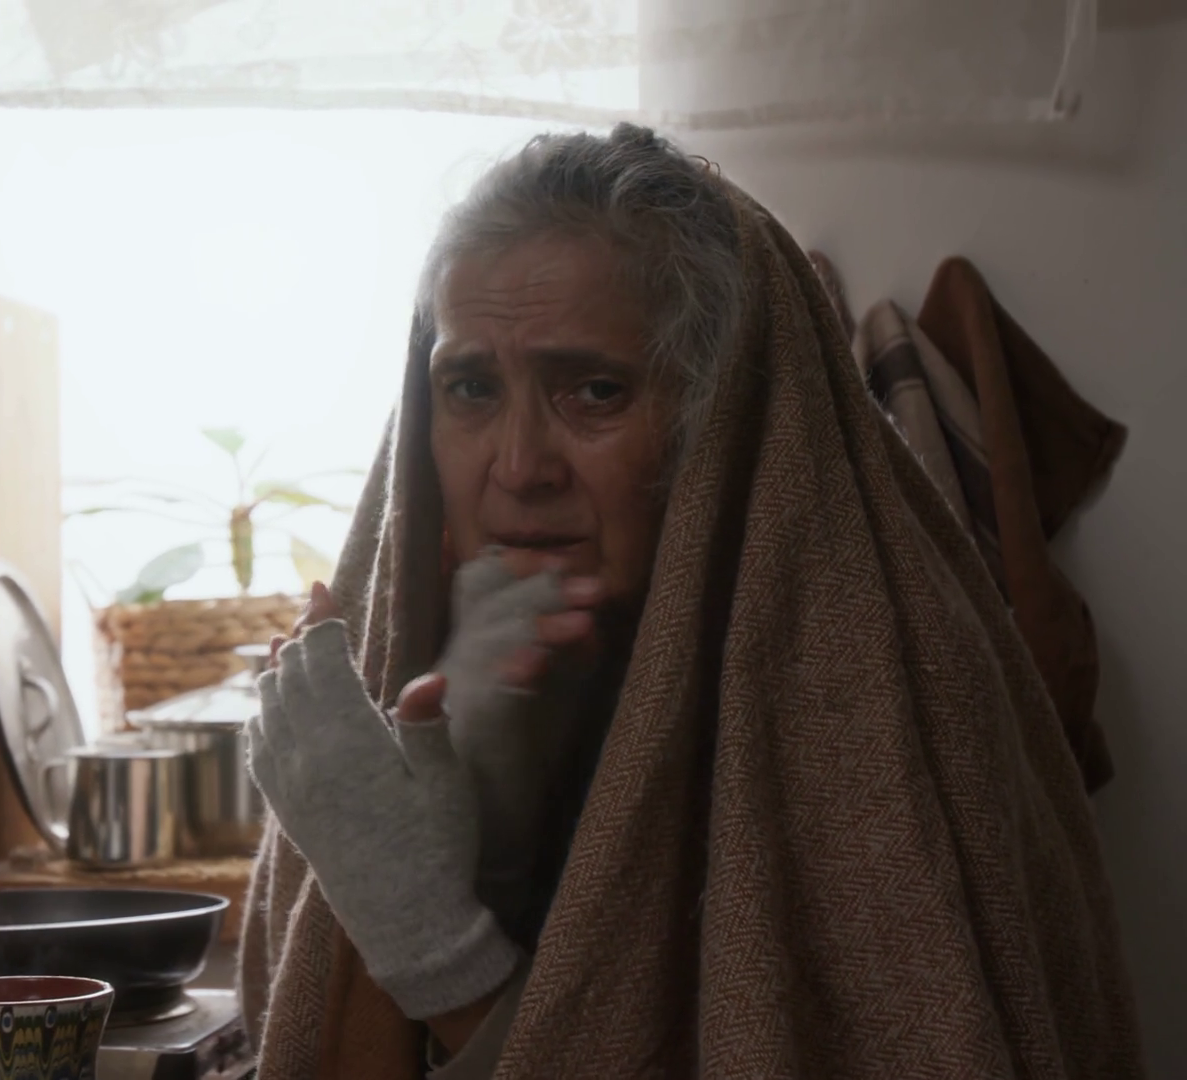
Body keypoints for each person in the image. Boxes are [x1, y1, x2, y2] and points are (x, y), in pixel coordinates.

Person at [238, 124, 1141, 1079]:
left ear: (722, 418)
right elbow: (292, 1018)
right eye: (470, 387)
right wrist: (482, 794)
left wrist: (426, 938)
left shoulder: (882, 712)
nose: (519, 465)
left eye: (594, 391)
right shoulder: (429, 670)